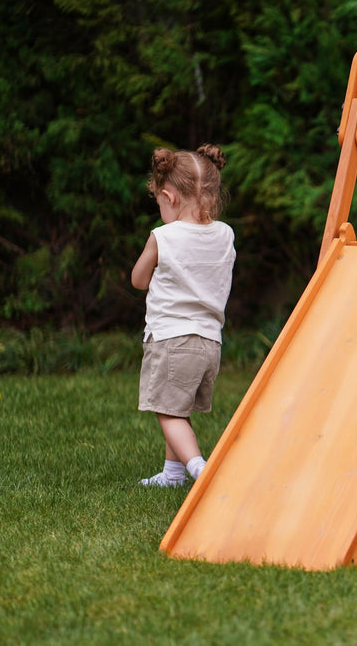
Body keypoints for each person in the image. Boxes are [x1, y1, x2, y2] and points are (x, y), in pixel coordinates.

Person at [131, 144, 235, 487]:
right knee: (180, 407)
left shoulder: (163, 236)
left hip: (172, 339)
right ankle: (172, 473)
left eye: (159, 202)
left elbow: (139, 280)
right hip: (209, 342)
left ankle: (198, 469)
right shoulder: (225, 234)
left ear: (169, 196)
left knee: (168, 411)